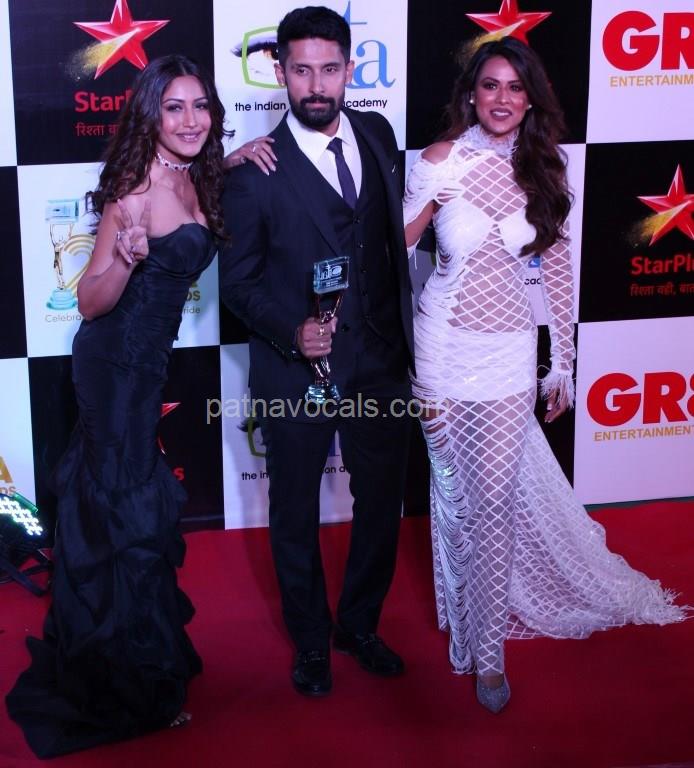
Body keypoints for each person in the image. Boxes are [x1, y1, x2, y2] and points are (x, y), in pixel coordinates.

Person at [403, 37, 686, 714]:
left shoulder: (546, 166)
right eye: (490, 85)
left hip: (507, 354)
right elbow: (396, 249)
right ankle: (464, 622)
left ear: (531, 98)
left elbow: (556, 268)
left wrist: (562, 363)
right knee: (455, 498)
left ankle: (490, 654)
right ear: (472, 93)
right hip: (440, 353)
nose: (502, 98)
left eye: (515, 87)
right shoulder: (439, 161)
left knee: (495, 503)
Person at [5, 54, 266, 758]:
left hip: (145, 367)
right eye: (174, 107)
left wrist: (232, 159)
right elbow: (91, 303)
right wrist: (123, 256)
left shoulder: (193, 173)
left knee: (127, 507)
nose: (191, 119)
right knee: (122, 514)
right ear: (150, 115)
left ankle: (133, 659)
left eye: (200, 106)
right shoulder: (133, 189)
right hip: (112, 366)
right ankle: (117, 681)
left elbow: (198, 201)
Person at [221, 6, 414, 697]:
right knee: (295, 511)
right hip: (294, 371)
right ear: (279, 72)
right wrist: (291, 330)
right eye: (300, 70)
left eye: (329, 68)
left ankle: (358, 625)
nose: (315, 85)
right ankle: (310, 642)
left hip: (379, 361)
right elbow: (237, 284)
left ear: (349, 68)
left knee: (381, 503)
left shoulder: (378, 133)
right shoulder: (254, 171)